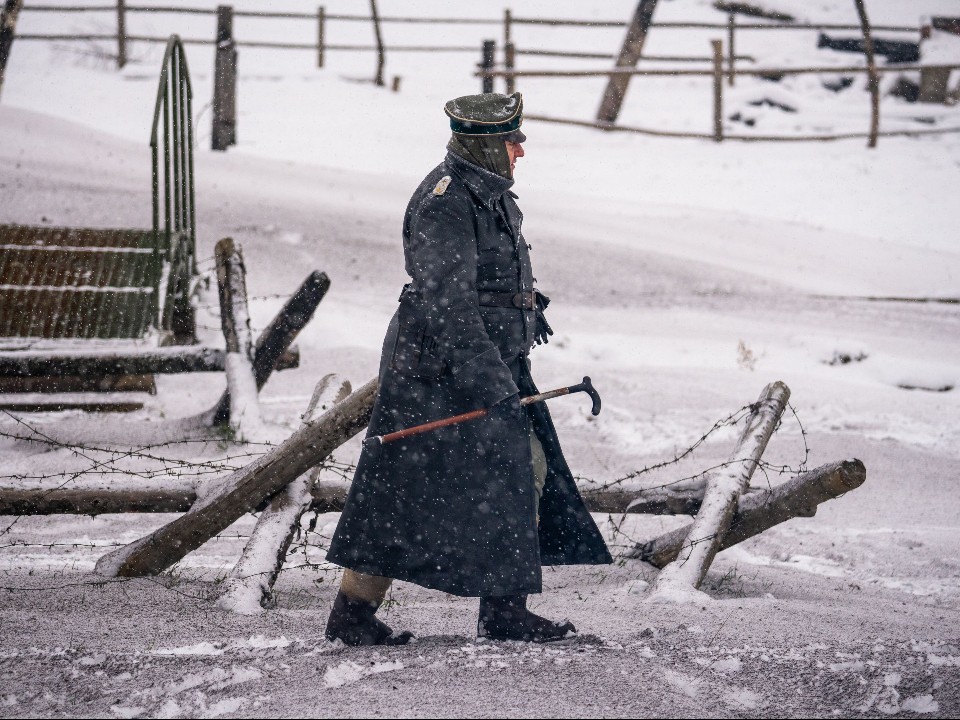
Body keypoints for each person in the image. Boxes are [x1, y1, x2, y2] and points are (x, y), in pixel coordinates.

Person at [324, 92, 611, 645]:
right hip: (436, 372)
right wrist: (491, 382)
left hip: (483, 361)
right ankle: (357, 614)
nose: (521, 149)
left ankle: (499, 609)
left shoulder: (486, 194)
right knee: (402, 491)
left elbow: (482, 281)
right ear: (486, 145)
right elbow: (447, 303)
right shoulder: (445, 202)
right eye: (512, 140)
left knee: (510, 475)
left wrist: (526, 306)